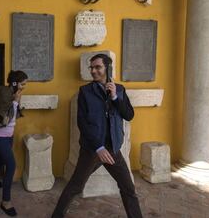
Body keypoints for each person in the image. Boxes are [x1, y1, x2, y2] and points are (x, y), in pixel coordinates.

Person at [52, 54, 142, 218]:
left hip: (113, 148)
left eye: (97, 67)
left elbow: (129, 115)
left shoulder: (120, 89)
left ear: (108, 68)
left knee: (128, 188)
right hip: (92, 150)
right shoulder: (85, 91)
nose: (93, 71)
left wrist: (115, 97)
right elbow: (83, 123)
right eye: (91, 68)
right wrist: (98, 147)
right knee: (76, 186)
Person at [0, 70, 28, 217]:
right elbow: (5, 118)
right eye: (23, 84)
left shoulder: (14, 94)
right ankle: (6, 202)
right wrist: (16, 101)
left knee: (1, 158)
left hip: (8, 134)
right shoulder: (3, 93)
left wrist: (17, 100)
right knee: (10, 165)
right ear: (15, 83)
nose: (24, 87)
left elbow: (15, 113)